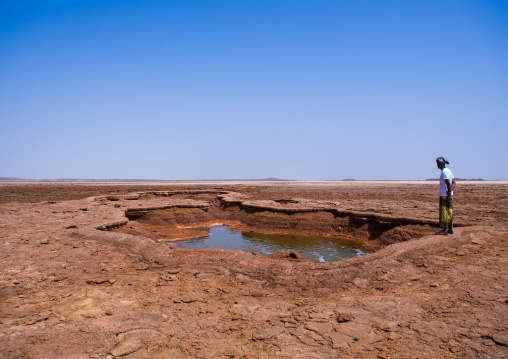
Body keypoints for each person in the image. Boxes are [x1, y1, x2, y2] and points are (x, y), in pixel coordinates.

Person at [435, 157, 456, 235]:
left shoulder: (444, 172)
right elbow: (454, 183)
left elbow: (448, 183)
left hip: (445, 195)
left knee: (444, 211)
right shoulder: (449, 171)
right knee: (449, 211)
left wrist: (449, 193)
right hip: (449, 194)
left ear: (439, 164)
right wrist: (450, 193)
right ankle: (450, 228)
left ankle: (444, 230)